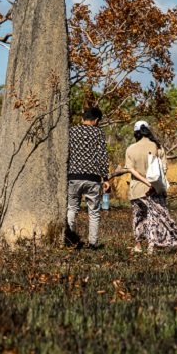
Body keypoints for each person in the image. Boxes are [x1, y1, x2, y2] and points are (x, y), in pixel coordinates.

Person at [124, 120, 177, 253]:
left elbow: (130, 169)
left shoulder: (130, 149)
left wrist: (143, 181)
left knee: (138, 217)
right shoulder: (158, 147)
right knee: (154, 218)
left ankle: (138, 245)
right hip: (154, 189)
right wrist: (151, 183)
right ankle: (151, 246)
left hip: (136, 189)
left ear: (136, 133)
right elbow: (163, 169)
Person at [66, 106, 110, 248]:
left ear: (82, 118)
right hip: (93, 178)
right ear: (96, 120)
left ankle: (69, 240)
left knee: (72, 208)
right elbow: (102, 156)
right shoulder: (99, 133)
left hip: (74, 176)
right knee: (94, 212)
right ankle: (93, 243)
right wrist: (106, 178)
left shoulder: (71, 131)